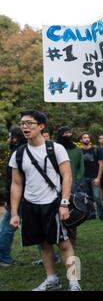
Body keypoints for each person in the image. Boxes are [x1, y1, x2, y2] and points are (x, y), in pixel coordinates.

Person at [9, 110, 81, 291]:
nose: (25, 127)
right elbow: (16, 184)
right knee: (43, 244)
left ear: (41, 126)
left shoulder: (55, 148)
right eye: (22, 123)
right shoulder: (18, 154)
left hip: (54, 203)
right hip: (31, 205)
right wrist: (14, 213)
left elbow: (67, 176)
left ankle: (74, 281)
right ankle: (52, 279)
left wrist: (64, 203)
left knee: (64, 243)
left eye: (29, 123)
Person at [0, 126, 26, 267]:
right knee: (8, 227)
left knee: (7, 227)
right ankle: (2, 256)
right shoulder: (24, 150)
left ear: (15, 138)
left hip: (20, 198)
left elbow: (11, 181)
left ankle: (2, 256)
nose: (8, 139)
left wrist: (8, 199)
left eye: (10, 137)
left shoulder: (18, 153)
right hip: (23, 198)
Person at [55, 125, 84, 248]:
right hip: (55, 185)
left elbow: (81, 168)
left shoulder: (77, 150)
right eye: (64, 133)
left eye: (69, 133)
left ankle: (71, 241)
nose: (67, 135)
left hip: (71, 185)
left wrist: (75, 181)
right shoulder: (55, 148)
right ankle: (57, 238)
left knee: (71, 213)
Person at [79, 132, 103, 221]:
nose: (87, 139)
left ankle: (102, 216)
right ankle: (91, 215)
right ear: (81, 140)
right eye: (84, 137)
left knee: (97, 197)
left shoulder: (96, 150)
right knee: (88, 198)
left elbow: (101, 164)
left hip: (95, 177)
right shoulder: (79, 151)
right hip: (84, 178)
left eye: (88, 137)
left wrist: (98, 178)